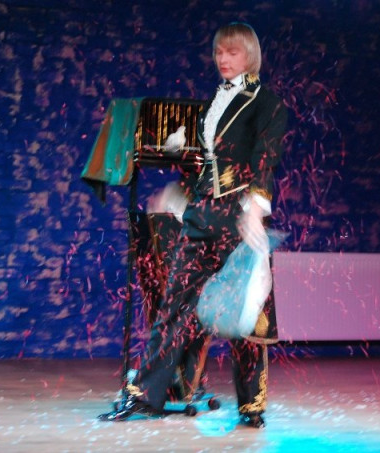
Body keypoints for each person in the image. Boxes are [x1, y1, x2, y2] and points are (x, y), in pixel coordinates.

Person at [98, 22, 287, 429]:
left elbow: (264, 159)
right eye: (219, 52)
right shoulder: (213, 103)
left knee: (245, 314)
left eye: (232, 52)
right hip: (202, 216)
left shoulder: (268, 104)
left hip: (238, 219)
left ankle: (252, 405)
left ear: (250, 56)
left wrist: (255, 209)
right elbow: (207, 164)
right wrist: (178, 194)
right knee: (174, 308)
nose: (223, 59)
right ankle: (147, 396)